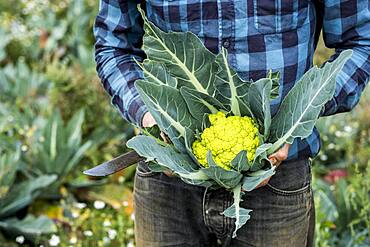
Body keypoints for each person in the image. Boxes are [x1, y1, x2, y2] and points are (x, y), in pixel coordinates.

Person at [93, 0, 370, 246]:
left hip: (277, 184)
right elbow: (113, 46)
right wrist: (149, 115)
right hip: (168, 185)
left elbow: (360, 41)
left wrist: (299, 114)